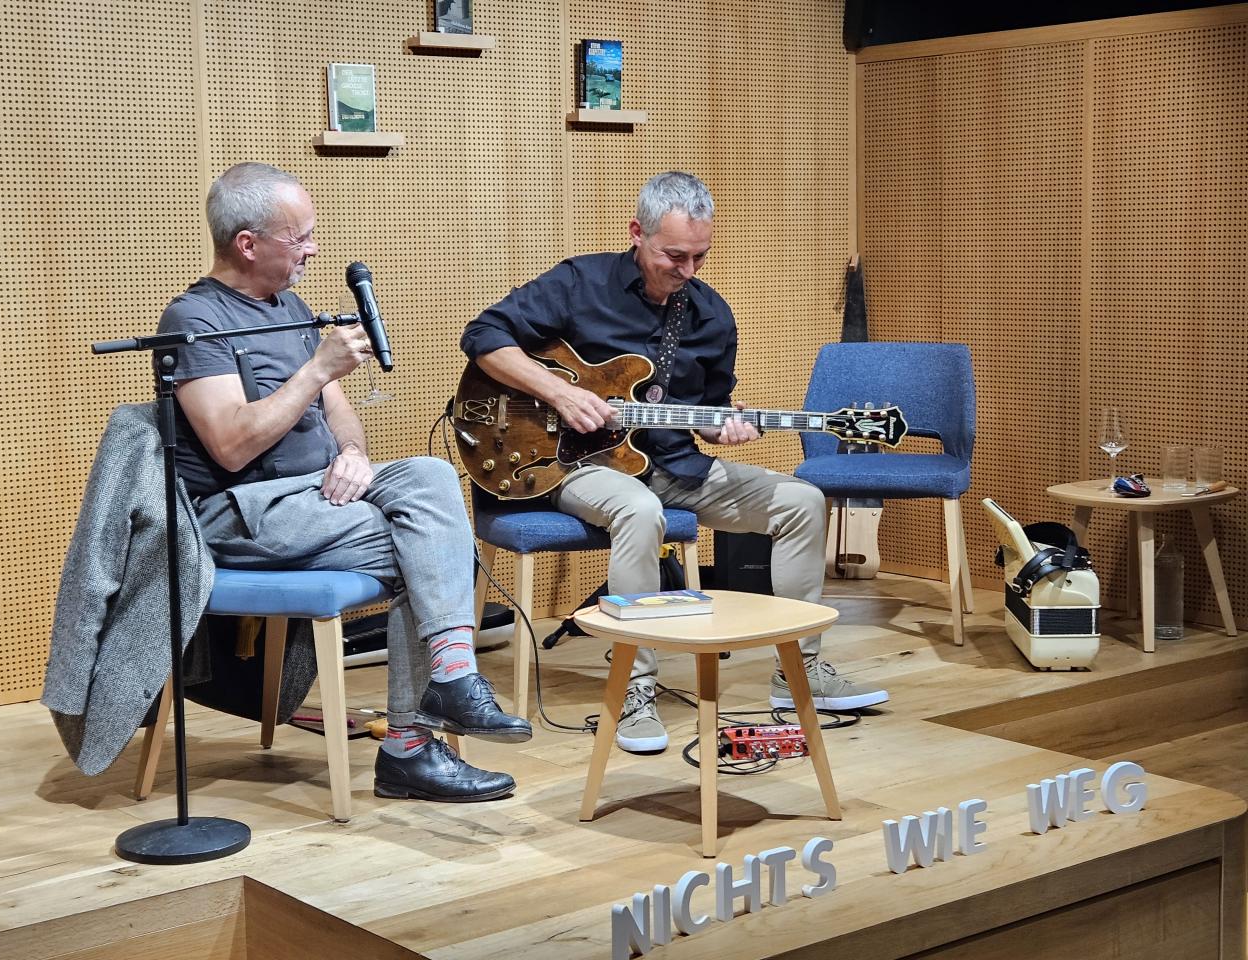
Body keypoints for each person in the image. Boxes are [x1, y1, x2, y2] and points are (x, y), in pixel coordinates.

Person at [461, 171, 889, 753]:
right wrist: (560, 394)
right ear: (637, 233)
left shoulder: (712, 317)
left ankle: (799, 673)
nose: (688, 271)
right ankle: (634, 688)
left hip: (673, 464)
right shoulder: (579, 283)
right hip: (573, 464)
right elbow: (484, 336)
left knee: (803, 501)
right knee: (639, 510)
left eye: (699, 257)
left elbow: (708, 413)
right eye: (674, 256)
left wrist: (728, 428)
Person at [158, 162, 530, 802]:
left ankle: (447, 681)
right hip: (243, 510)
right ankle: (414, 743)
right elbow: (229, 444)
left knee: (431, 475)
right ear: (248, 244)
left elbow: (338, 414)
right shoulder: (195, 321)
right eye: (299, 237)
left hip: (318, 493)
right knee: (433, 551)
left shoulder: (291, 307)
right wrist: (316, 368)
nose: (313, 249)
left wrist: (353, 451)